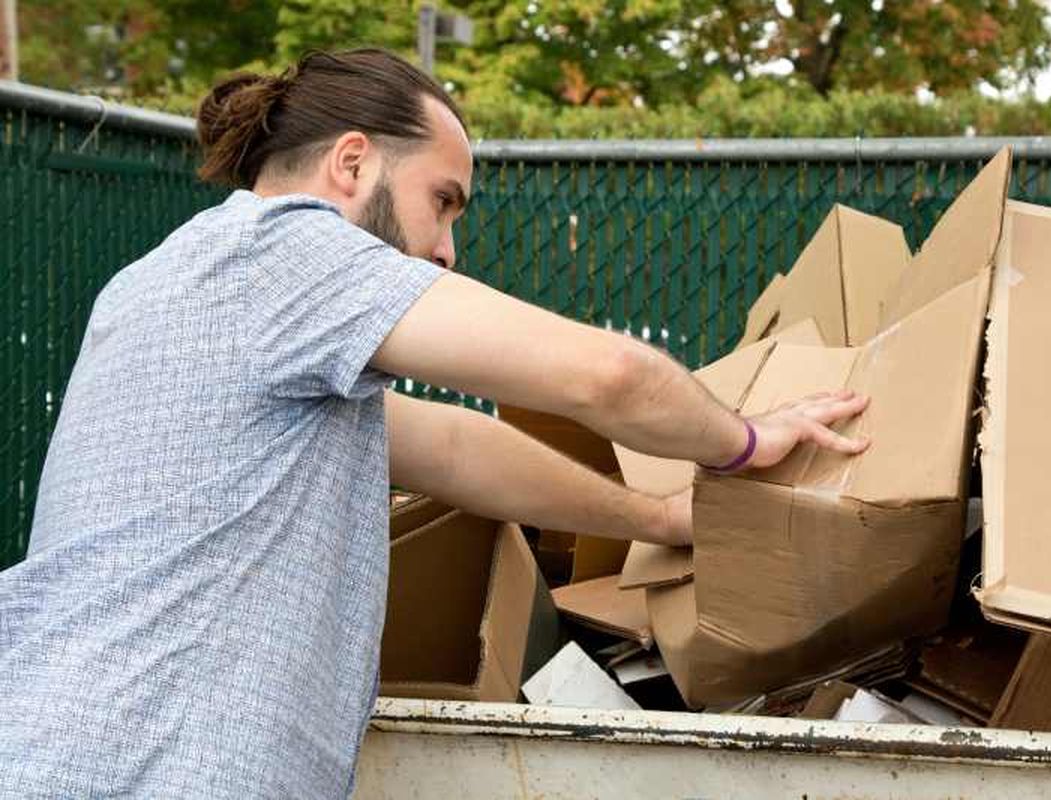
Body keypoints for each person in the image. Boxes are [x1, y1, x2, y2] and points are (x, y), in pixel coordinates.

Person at [0, 48, 869, 799]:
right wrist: (746, 442)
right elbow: (606, 376)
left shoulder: (171, 283)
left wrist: (661, 517)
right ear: (352, 163)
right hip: (150, 772)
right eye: (443, 201)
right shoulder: (289, 250)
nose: (448, 247)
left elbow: (454, 449)